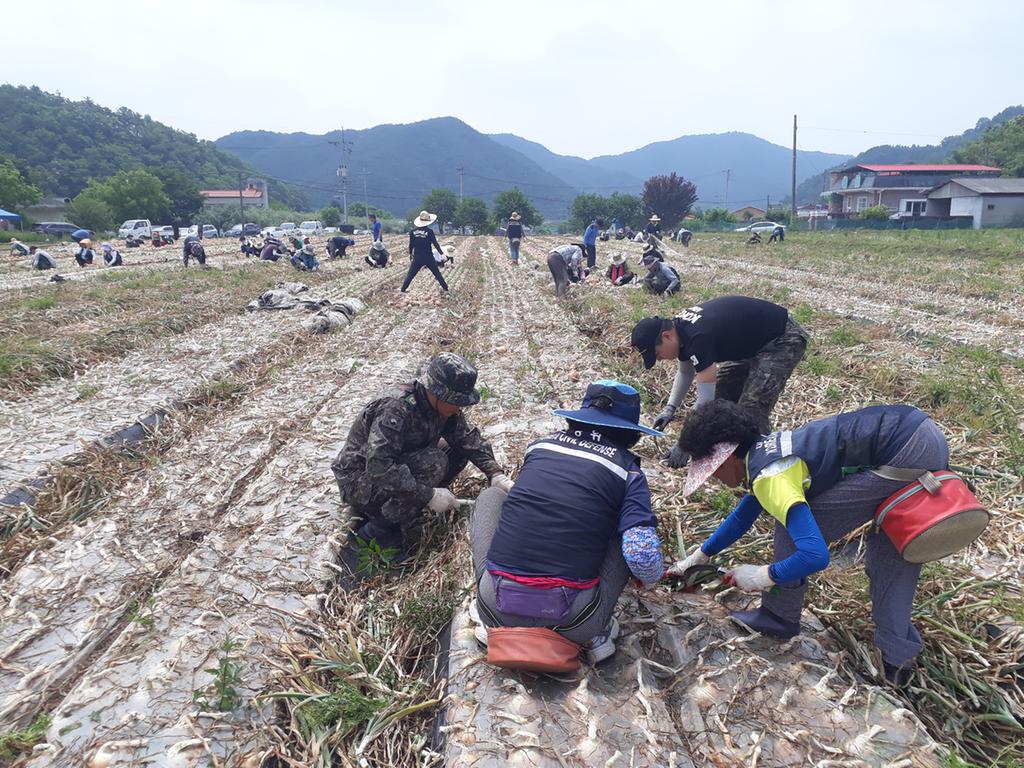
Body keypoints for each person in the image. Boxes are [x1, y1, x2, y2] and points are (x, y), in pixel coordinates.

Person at [668, 400, 951, 685]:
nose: (713, 478)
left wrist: (762, 575)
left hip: (904, 450)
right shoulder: (766, 451)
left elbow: (815, 555)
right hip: (917, 432)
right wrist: (699, 556)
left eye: (711, 469)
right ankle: (896, 660)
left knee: (795, 528)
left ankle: (779, 616)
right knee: (893, 547)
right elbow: (743, 516)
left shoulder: (771, 477)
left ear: (727, 458)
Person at [470, 380, 666, 663]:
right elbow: (642, 554)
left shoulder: (538, 448)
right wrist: (649, 580)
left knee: (491, 496)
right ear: (630, 434)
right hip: (576, 621)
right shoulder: (627, 470)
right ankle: (597, 634)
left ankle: (491, 619)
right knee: (627, 529)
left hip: (495, 608)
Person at [332, 353, 512, 572]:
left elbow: (466, 438)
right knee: (434, 462)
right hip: (359, 480)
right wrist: (428, 495)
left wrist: (495, 473)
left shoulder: (441, 407)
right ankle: (380, 531)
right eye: (456, 401)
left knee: (457, 449)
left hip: (395, 466)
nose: (459, 409)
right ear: (437, 393)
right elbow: (379, 468)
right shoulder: (396, 408)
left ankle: (410, 506)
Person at [630, 297, 809, 458]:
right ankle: (723, 451)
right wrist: (669, 409)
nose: (659, 359)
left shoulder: (697, 338)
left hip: (782, 339)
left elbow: (705, 402)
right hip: (753, 343)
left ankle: (759, 462)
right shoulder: (680, 330)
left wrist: (685, 444)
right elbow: (685, 372)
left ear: (667, 336)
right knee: (722, 396)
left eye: (657, 354)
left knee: (751, 410)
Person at [401, 210, 449, 294]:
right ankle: (446, 289)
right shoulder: (429, 232)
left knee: (411, 274)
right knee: (437, 273)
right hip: (428, 257)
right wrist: (442, 254)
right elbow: (435, 244)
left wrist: (410, 254)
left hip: (417, 257)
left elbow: (411, 245)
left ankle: (402, 290)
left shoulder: (412, 232)